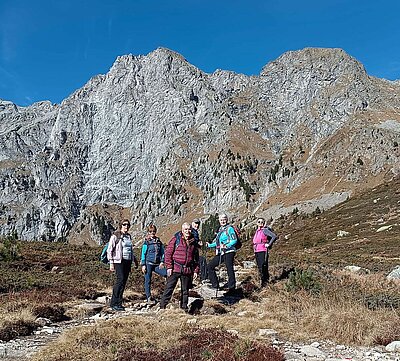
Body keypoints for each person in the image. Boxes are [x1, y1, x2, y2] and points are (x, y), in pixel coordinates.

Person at [160, 222, 199, 312]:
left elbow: (196, 258)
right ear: (182, 230)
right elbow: (168, 253)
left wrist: (196, 270)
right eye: (186, 229)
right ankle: (162, 307)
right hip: (175, 268)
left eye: (189, 229)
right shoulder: (176, 239)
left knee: (185, 291)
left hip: (187, 269)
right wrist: (169, 267)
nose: (188, 231)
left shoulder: (193, 242)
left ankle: (184, 308)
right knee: (169, 288)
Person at [108, 219, 138, 311]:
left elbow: (130, 250)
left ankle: (119, 303)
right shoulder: (116, 236)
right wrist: (111, 263)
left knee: (124, 282)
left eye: (128, 225)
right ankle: (113, 303)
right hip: (118, 261)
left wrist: (134, 260)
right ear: (121, 225)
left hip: (127, 261)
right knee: (120, 280)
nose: (126, 226)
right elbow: (110, 250)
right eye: (124, 224)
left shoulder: (128, 236)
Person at [206, 213, 237, 292]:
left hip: (229, 251)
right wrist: (209, 245)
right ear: (219, 221)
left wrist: (226, 246)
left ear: (227, 220)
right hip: (222, 252)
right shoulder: (220, 229)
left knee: (229, 268)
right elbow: (218, 243)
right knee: (210, 266)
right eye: (221, 220)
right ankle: (215, 285)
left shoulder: (229, 229)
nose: (223, 221)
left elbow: (234, 240)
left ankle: (232, 287)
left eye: (224, 219)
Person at [140, 224, 167, 305]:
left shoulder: (159, 241)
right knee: (147, 281)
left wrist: (162, 261)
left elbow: (163, 253)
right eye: (150, 231)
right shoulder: (146, 242)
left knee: (167, 274)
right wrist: (143, 265)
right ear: (148, 232)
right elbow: (143, 254)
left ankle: (166, 295)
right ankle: (148, 298)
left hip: (157, 264)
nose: (152, 233)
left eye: (154, 231)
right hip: (148, 264)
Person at [253, 217, 277, 287]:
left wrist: (269, 244)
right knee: (260, 267)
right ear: (257, 223)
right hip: (257, 250)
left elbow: (274, 236)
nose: (260, 223)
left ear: (264, 223)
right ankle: (263, 282)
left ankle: (265, 283)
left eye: (262, 222)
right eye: (259, 222)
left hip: (263, 250)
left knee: (263, 266)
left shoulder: (265, 230)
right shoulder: (257, 231)